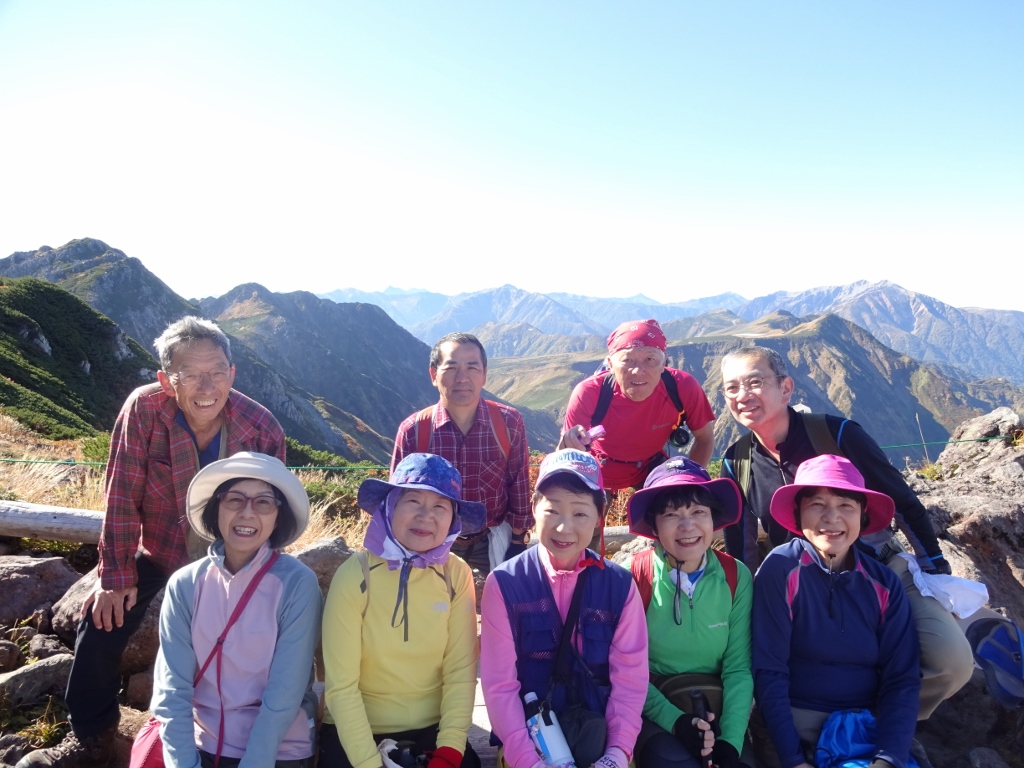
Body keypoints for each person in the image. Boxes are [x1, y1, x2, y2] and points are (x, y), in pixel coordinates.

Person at [18, 316, 286, 768]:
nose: (207, 387)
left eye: (217, 372)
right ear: (166, 380)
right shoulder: (144, 410)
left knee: (254, 641)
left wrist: (258, 580)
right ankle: (92, 738)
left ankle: (240, 741)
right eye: (191, 374)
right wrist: (115, 575)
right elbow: (122, 494)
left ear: (233, 373)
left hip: (233, 559)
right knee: (101, 621)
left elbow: (270, 512)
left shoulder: (261, 427)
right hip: (161, 551)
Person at [718, 345, 973, 718]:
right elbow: (742, 549)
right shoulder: (737, 461)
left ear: (785, 388)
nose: (743, 396)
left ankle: (879, 719)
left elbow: (901, 501)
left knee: (950, 663)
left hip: (880, 567)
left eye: (755, 382)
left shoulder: (836, 434)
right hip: (801, 584)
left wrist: (934, 570)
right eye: (732, 387)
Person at [152, 452, 321, 768]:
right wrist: (184, 762)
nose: (247, 513)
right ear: (216, 507)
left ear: (278, 516)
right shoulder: (186, 583)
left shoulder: (297, 584)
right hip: (199, 743)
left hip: (278, 751)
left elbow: (284, 694)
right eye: (235, 500)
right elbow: (172, 687)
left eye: (263, 503)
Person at [480, 449, 648, 768]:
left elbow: (630, 679)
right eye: (553, 510)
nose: (564, 527)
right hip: (530, 743)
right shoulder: (504, 584)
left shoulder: (620, 586)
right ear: (534, 508)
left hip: (600, 738)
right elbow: (500, 685)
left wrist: (617, 753)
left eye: (580, 513)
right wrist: (526, 760)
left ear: (599, 516)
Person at [753, 455, 921, 768]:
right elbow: (768, 670)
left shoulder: (883, 584)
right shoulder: (781, 569)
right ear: (798, 512)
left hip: (866, 726)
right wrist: (793, 759)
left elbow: (902, 677)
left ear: (863, 514)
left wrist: (888, 757)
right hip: (796, 727)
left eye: (846, 505)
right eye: (817, 504)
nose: (832, 518)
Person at [320, 453, 484, 768]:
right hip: (357, 729)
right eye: (413, 501)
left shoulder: (456, 574)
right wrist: (369, 763)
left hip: (432, 728)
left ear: (453, 520)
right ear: (390, 506)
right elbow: (341, 686)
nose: (426, 516)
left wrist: (450, 750)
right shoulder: (356, 574)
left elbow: (460, 671)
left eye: (440, 506)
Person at [625, 458, 753, 768]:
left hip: (718, 704)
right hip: (655, 706)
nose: (687, 526)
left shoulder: (735, 576)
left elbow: (738, 668)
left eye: (698, 512)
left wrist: (730, 741)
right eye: (671, 514)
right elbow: (626, 670)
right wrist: (676, 721)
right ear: (654, 526)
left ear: (713, 518)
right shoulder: (636, 577)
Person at [392, 332, 532, 574]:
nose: (462, 377)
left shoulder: (508, 423)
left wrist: (518, 541)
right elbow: (396, 498)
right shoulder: (414, 431)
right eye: (452, 367)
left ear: (484, 374)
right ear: (434, 375)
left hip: (492, 539)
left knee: (502, 598)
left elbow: (518, 484)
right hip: (430, 541)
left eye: (472, 367)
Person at [559, 319, 716, 491]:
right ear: (610, 365)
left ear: (664, 363)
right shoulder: (589, 392)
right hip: (597, 467)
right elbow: (566, 453)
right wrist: (567, 444)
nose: (638, 370)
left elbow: (705, 438)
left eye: (650, 359)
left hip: (650, 467)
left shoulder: (682, 386)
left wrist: (690, 484)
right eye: (627, 360)